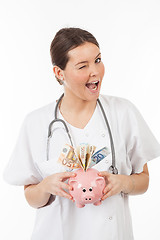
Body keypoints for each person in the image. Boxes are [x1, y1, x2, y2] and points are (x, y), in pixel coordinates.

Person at [3, 27, 160, 240]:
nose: (95, 71)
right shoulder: (36, 122)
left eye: (98, 60)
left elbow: (143, 180)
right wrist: (46, 186)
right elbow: (31, 197)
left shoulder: (123, 112)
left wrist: (123, 183)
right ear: (59, 73)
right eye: (82, 66)